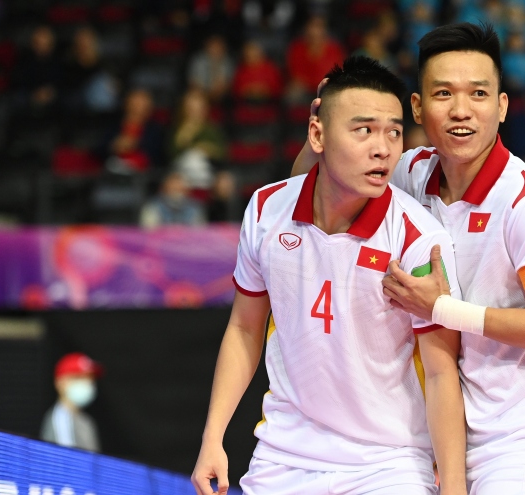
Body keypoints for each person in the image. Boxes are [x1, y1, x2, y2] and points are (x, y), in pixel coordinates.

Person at [294, 23, 525, 494]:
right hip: (442, 439)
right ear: (417, 107)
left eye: (478, 94)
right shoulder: (411, 171)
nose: (461, 110)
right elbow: (314, 181)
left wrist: (443, 310)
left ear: (501, 107)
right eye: (443, 93)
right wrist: (325, 121)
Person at [192, 56, 466, 495]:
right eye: (364, 130)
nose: (383, 149)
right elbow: (244, 329)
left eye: (393, 132)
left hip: (388, 464)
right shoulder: (266, 210)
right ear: (318, 134)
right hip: (283, 456)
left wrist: (454, 489)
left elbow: (440, 373)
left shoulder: (419, 238)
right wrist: (212, 439)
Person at [40, 352, 103, 452]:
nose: (87, 383)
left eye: (90, 378)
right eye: (79, 377)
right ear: (60, 383)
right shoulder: (60, 419)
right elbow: (66, 460)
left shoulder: (87, 422)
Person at [140, 171, 206, 228]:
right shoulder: (153, 206)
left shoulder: (194, 207)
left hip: (188, 238)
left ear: (186, 190)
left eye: (180, 187)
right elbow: (149, 229)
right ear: (165, 187)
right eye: (173, 186)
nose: (176, 188)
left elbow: (199, 230)